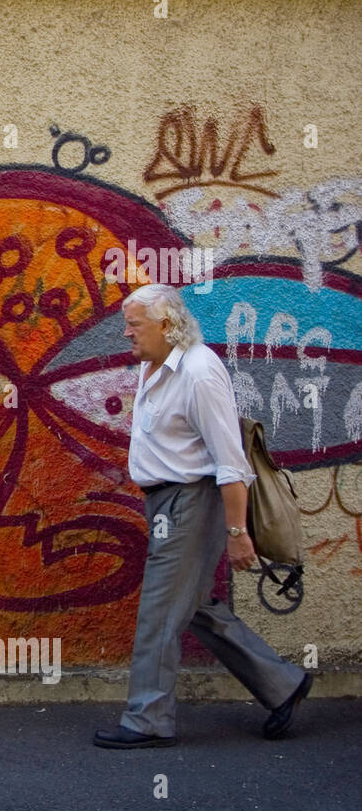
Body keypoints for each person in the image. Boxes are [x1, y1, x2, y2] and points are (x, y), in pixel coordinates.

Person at [93, 284, 311, 748]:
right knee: (187, 604)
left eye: (135, 325)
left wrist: (237, 532)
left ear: (167, 325)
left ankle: (147, 719)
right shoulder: (155, 365)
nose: (126, 333)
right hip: (166, 505)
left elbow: (231, 462)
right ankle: (282, 683)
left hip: (191, 502)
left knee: (160, 609)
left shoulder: (198, 372)